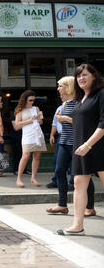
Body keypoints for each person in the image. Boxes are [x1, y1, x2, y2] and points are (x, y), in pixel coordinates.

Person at [58, 64, 104, 236]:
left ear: (94, 76)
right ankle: (77, 225)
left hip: (97, 146)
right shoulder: (80, 98)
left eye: (85, 75)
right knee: (78, 183)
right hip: (81, 147)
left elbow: (103, 124)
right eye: (78, 76)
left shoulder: (101, 94)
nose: (81, 78)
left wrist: (88, 144)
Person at [46, 76, 95, 215]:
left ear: (69, 87)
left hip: (78, 143)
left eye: (60, 86)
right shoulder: (64, 104)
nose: (58, 89)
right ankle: (62, 205)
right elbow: (68, 125)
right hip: (64, 141)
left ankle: (90, 207)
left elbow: (84, 124)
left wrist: (65, 119)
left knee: (83, 175)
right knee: (59, 171)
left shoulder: (80, 103)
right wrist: (61, 121)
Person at [14, 90, 46, 188]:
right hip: (28, 136)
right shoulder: (20, 110)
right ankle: (19, 178)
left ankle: (33, 178)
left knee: (37, 156)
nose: (32, 102)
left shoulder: (36, 108)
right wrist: (29, 121)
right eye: (30, 100)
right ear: (25, 100)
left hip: (38, 134)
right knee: (26, 156)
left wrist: (38, 118)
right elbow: (16, 126)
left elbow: (41, 122)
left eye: (33, 100)